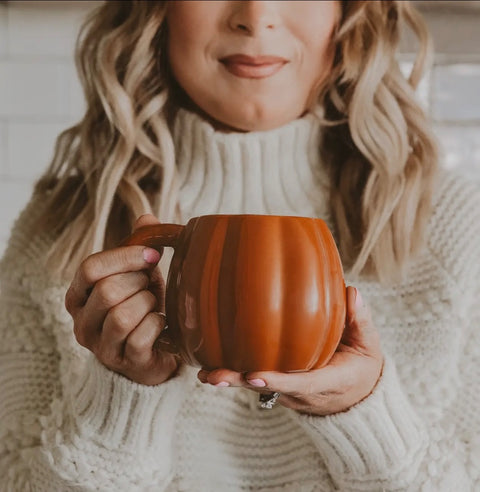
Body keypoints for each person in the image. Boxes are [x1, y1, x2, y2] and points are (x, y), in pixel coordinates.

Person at [0, 1, 479, 490]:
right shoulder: (58, 232)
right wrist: (123, 396)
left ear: (350, 14)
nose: (256, 16)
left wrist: (360, 412)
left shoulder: (454, 227)